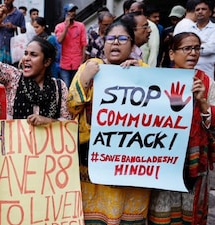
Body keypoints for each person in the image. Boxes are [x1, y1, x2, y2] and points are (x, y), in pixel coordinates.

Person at [67, 20, 151, 224]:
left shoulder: (144, 69)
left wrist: (140, 75)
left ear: (132, 45)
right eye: (111, 39)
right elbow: (71, 107)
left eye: (123, 39)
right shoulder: (90, 66)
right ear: (103, 43)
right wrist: (85, 80)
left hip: (130, 162)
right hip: (93, 160)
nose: (116, 43)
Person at [148, 32, 215, 225]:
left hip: (194, 159)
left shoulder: (206, 82)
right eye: (187, 48)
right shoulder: (157, 79)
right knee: (163, 208)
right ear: (171, 54)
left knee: (191, 212)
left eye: (197, 48)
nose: (193, 53)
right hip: (162, 160)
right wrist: (130, 70)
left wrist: (202, 103)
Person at [0, 4, 71, 125]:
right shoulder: (13, 77)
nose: (26, 59)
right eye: (25, 54)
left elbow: (67, 124)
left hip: (47, 144)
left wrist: (48, 121)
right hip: (15, 143)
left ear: (47, 62)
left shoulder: (59, 87)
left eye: (33, 55)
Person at [55, 3, 87, 88]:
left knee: (76, 87)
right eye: (70, 11)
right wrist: (66, 27)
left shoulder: (80, 26)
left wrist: (82, 61)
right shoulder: (59, 27)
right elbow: (59, 40)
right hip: (65, 63)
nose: (73, 13)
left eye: (74, 11)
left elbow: (84, 44)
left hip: (77, 62)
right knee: (66, 86)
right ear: (66, 13)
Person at [185, 0, 215, 78]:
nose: (200, 12)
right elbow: (184, 48)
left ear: (210, 12)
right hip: (189, 73)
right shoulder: (189, 29)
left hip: (208, 74)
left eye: (203, 9)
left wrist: (191, 47)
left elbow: (210, 49)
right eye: (197, 10)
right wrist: (202, 43)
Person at [0, 0, 26, 65]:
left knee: (13, 67)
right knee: (0, 67)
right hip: (0, 46)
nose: (6, 1)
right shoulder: (0, 12)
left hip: (13, 47)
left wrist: (14, 27)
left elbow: (24, 30)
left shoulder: (19, 14)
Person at [130, 1, 160, 67]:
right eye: (145, 27)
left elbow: (153, 52)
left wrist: (149, 71)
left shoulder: (152, 26)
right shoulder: (128, 53)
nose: (149, 30)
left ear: (141, 10)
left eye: (133, 10)